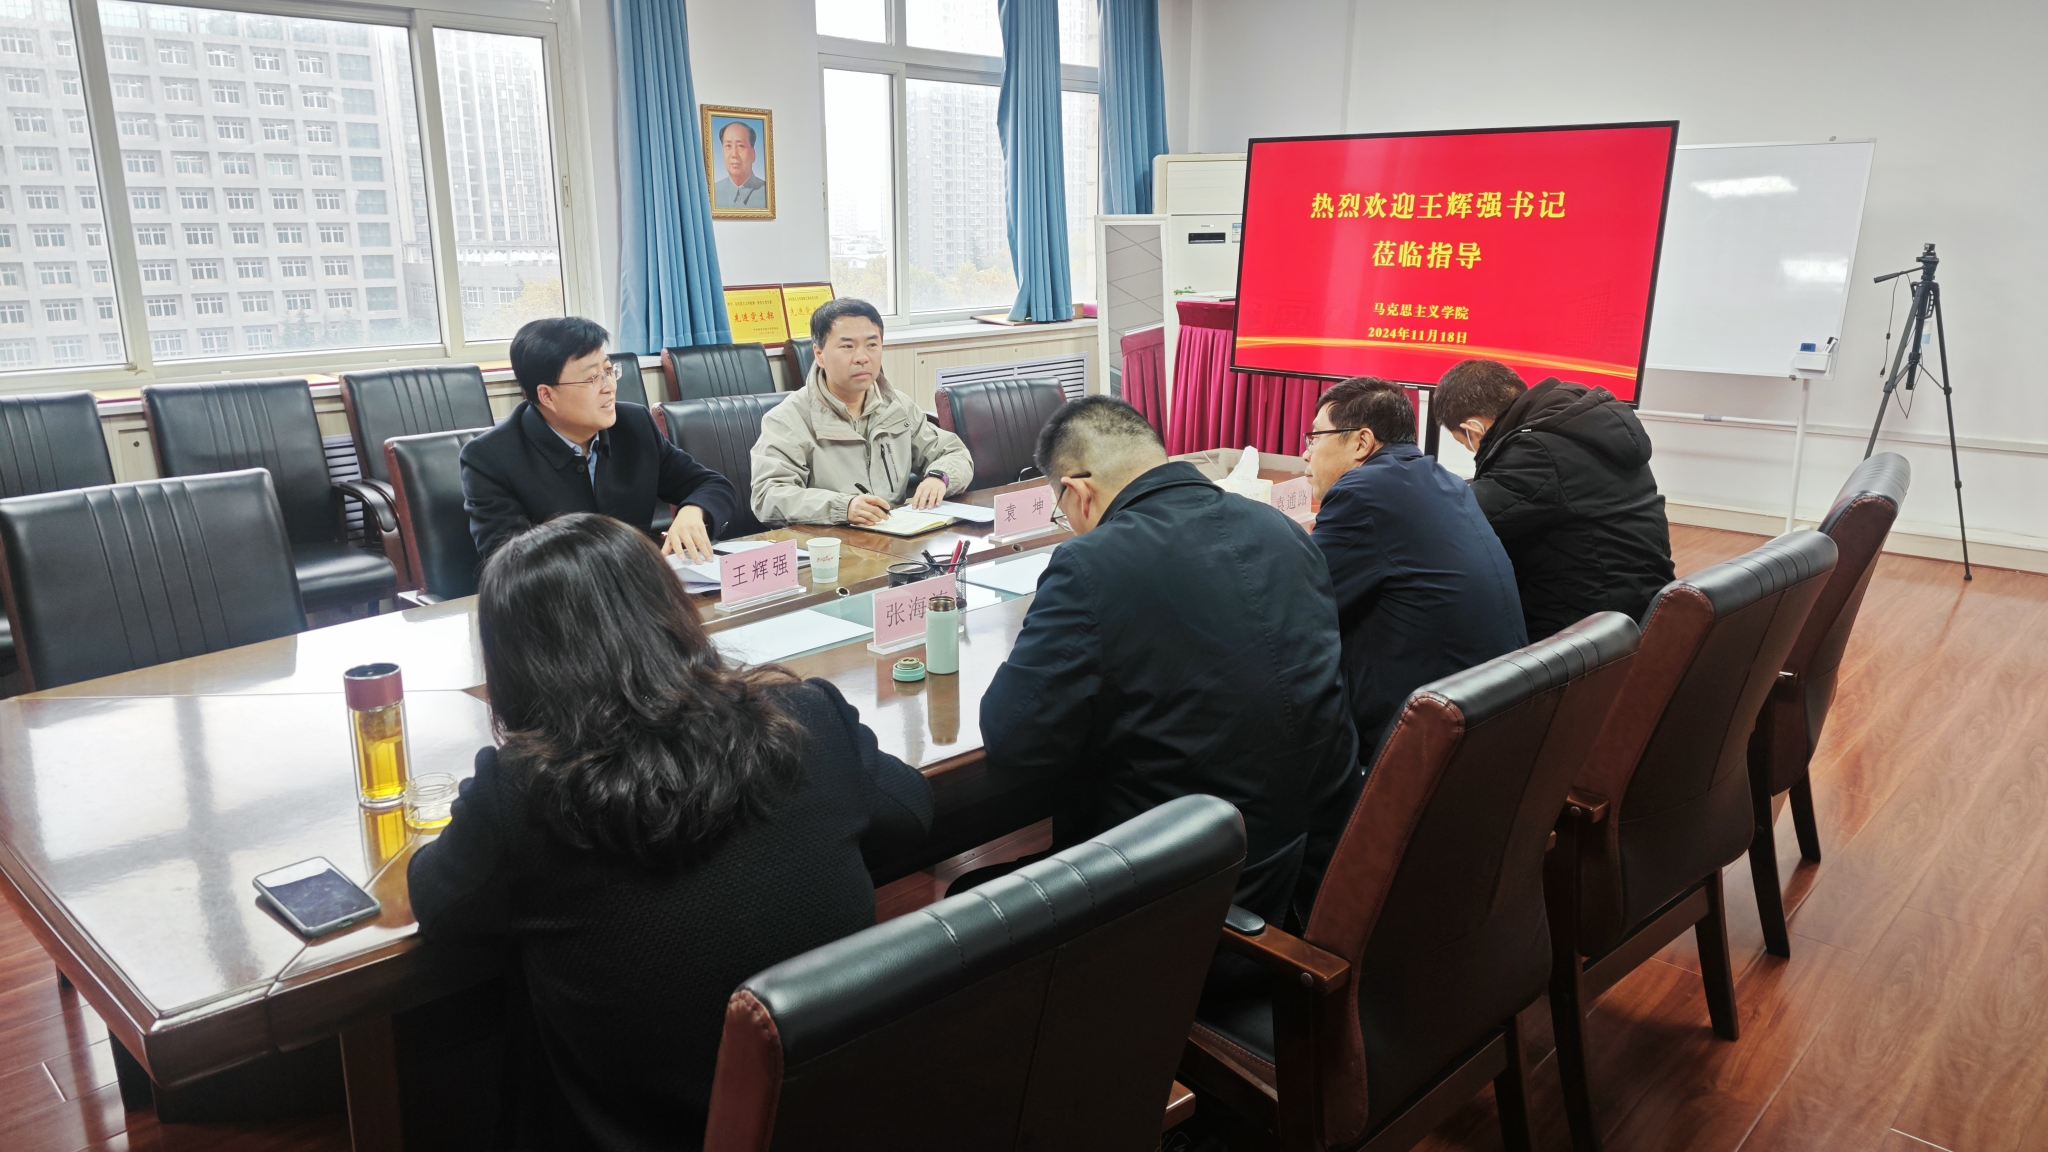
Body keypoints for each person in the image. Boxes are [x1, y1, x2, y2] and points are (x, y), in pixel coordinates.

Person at [408, 513, 932, 1152]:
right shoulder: (804, 716)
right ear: (672, 610)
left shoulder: (522, 791)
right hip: (830, 1114)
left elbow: (440, 906)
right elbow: (911, 812)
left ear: (517, 663)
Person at [978, 397, 1358, 928]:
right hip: (1315, 873)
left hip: (1182, 896)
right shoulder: (1282, 528)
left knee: (970, 894)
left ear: (1078, 492)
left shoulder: (1091, 565)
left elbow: (1012, 738)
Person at [1304, 377, 1527, 759]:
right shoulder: (1443, 480)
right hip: (1490, 715)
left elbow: (1298, 601)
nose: (1306, 454)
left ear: (1361, 442)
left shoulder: (1362, 493)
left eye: (1314, 438)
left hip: (1426, 739)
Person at [461, 316, 738, 562]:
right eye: (593, 378)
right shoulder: (490, 458)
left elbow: (713, 485)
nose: (610, 387)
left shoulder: (634, 425)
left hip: (637, 590)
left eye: (608, 371)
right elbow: (510, 561)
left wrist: (694, 511)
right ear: (546, 395)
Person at [1434, 359, 1676, 638]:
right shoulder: (1576, 426)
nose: (1473, 451)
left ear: (1474, 428)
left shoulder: (1537, 451)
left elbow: (1463, 520)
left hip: (1590, 626)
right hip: (1635, 599)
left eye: (1466, 442)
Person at [751, 298, 974, 527]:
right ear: (819, 354)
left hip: (896, 535)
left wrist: (939, 477)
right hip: (830, 540)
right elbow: (768, 496)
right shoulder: (787, 419)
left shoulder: (897, 406)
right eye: (848, 346)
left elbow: (954, 453)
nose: (862, 357)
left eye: (872, 345)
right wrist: (843, 507)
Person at [713, 120, 768, 210]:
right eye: (728, 146)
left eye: (740, 146)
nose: (734, 154)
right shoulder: (711, 193)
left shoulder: (768, 193)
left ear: (753, 154)